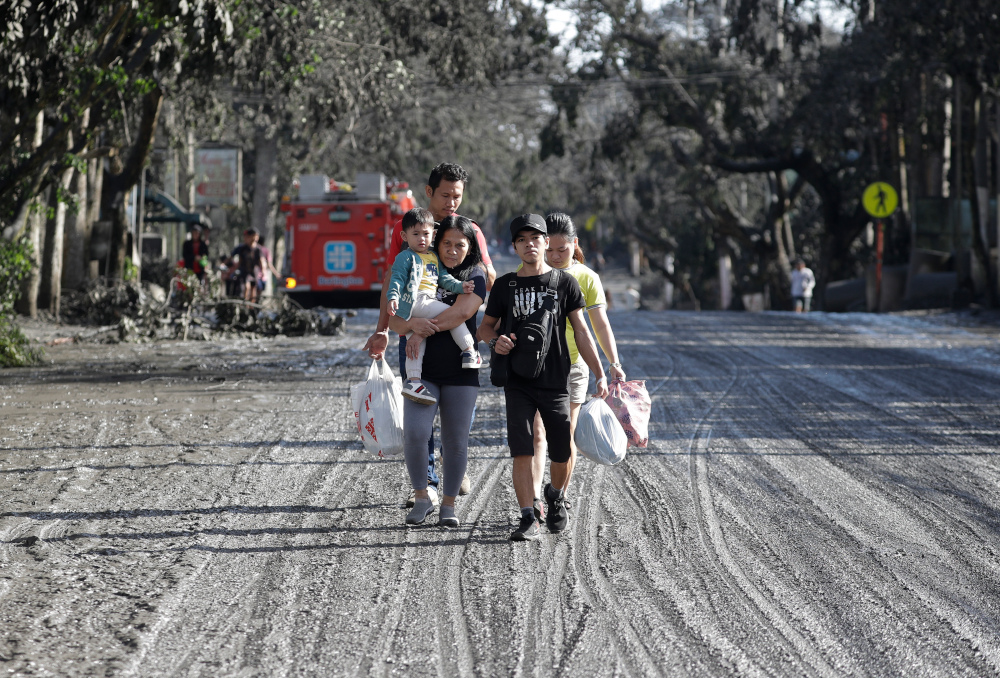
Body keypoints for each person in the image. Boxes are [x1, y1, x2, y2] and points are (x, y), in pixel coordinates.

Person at [363, 163, 493, 499]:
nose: (452, 202)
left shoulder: (470, 230)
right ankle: (429, 482)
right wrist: (385, 330)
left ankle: (454, 466)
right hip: (412, 328)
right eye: (446, 194)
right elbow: (391, 280)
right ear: (429, 192)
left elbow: (486, 275)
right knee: (420, 402)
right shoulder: (406, 228)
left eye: (458, 196)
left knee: (456, 415)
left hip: (451, 332)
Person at [478, 214, 609, 542]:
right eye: (521, 240)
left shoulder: (565, 284)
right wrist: (496, 341)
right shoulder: (506, 286)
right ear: (515, 246)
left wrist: (600, 373)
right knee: (522, 449)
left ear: (545, 242)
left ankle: (555, 495)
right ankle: (527, 516)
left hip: (555, 380)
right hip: (517, 381)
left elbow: (581, 330)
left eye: (534, 238)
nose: (529, 244)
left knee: (562, 450)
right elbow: (484, 327)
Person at [387, 216, 487, 526]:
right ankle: (421, 496)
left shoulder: (475, 274)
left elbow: (463, 311)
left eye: (460, 244)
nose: (453, 250)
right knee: (416, 433)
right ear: (436, 242)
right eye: (447, 243)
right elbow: (394, 320)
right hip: (422, 370)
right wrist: (408, 326)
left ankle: (449, 505)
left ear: (469, 247)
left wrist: (420, 332)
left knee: (455, 441)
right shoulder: (416, 264)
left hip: (461, 369)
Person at [528, 213, 626, 512]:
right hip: (536, 367)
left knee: (564, 434)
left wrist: (613, 363)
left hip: (574, 366)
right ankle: (533, 501)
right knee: (537, 434)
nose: (555, 256)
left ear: (575, 244)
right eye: (550, 250)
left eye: (563, 249)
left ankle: (558, 494)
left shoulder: (587, 277)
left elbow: (600, 325)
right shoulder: (528, 273)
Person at [386, 208, 479, 404]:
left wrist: (460, 286)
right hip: (417, 301)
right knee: (451, 316)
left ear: (433, 235)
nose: (421, 238)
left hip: (422, 307)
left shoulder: (433, 257)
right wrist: (393, 297)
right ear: (404, 236)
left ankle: (413, 381)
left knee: (415, 343)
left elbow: (444, 279)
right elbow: (396, 278)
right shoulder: (405, 257)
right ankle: (469, 350)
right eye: (416, 234)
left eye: (426, 234)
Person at [231, 229, 265, 302]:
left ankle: (251, 306)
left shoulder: (258, 249)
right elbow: (239, 260)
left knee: (253, 289)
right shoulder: (243, 248)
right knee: (247, 287)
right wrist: (234, 269)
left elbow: (262, 261)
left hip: (254, 271)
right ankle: (245, 303)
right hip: (245, 271)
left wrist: (263, 271)